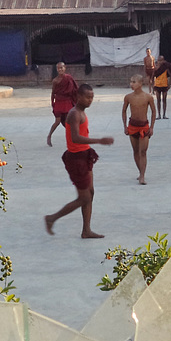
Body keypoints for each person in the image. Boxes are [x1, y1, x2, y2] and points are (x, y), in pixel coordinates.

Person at [44, 84, 114, 238]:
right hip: (76, 159)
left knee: (90, 193)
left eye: (92, 97)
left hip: (85, 155)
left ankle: (86, 230)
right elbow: (75, 137)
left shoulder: (81, 112)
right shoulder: (74, 113)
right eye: (87, 97)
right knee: (84, 197)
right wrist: (99, 140)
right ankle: (51, 218)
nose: (90, 100)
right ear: (78, 97)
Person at [122, 74, 156, 185]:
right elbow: (124, 111)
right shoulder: (128, 97)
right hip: (132, 126)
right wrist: (125, 126)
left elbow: (153, 112)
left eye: (134, 82)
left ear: (141, 84)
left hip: (144, 126)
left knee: (143, 152)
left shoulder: (148, 97)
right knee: (136, 151)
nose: (131, 84)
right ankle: (140, 171)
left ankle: (142, 176)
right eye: (131, 82)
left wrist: (151, 127)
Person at [47, 62, 78, 147]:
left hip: (67, 101)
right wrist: (52, 103)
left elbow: (74, 90)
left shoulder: (69, 78)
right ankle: (49, 135)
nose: (60, 69)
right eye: (58, 68)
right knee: (57, 121)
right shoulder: (55, 80)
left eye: (61, 68)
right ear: (57, 69)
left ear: (65, 68)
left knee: (69, 121)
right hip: (59, 101)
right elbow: (53, 93)